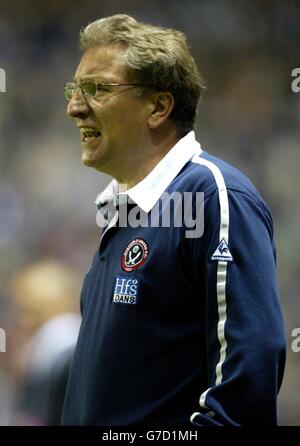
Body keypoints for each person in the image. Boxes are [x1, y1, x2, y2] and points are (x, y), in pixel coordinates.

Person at [61, 14, 286, 426]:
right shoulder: (121, 217)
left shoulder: (212, 195)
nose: (75, 107)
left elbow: (251, 367)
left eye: (96, 89)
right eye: (75, 90)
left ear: (159, 107)